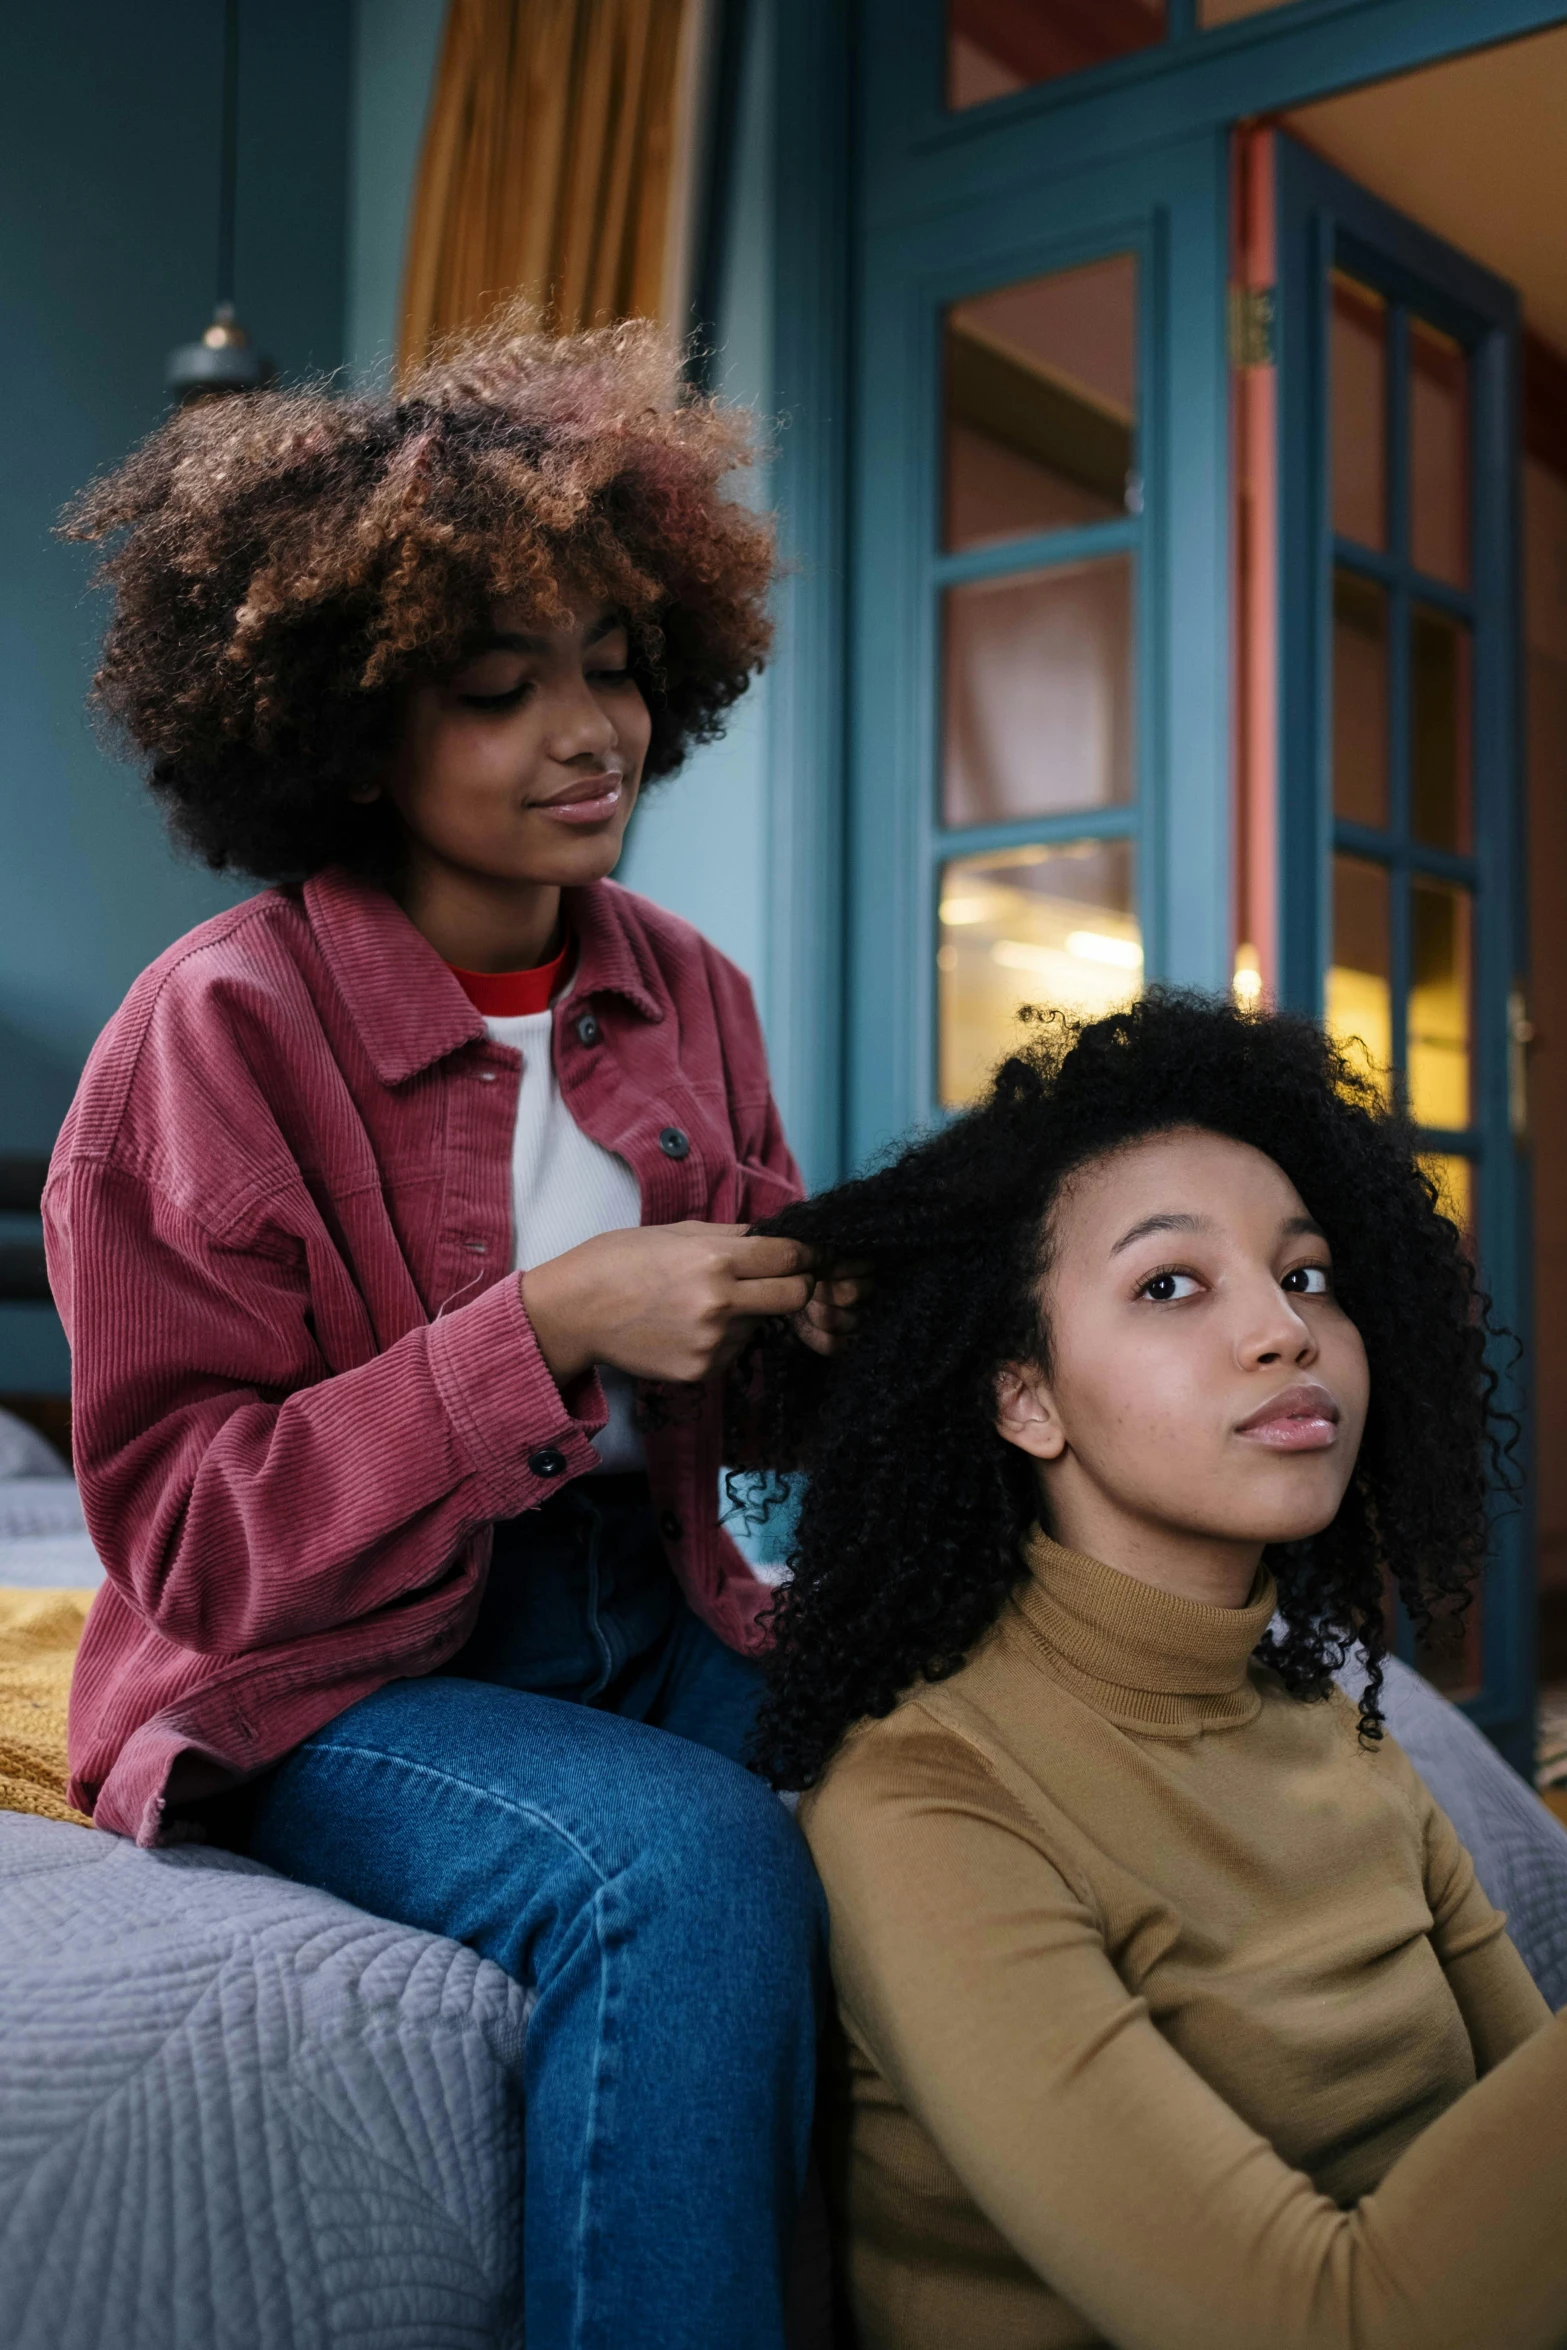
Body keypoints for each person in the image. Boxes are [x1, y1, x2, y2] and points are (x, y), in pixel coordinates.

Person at [46, 317, 856, 2350]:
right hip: (318, 1667)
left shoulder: (691, 988)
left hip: (639, 1588)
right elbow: (194, 1542)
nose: (591, 732)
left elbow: (736, 1411)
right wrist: (550, 1324)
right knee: (684, 1868)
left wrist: (817, 1321)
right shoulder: (213, 1032)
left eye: (613, 664)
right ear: (343, 727)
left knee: (947, 1774)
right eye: (502, 688)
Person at [745, 992, 1567, 2350]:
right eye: (1168, 1283)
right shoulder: (929, 1804)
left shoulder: (1337, 1719)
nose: (1282, 1330)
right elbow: (1322, 2321)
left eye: (1303, 1274)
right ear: (1025, 1396)